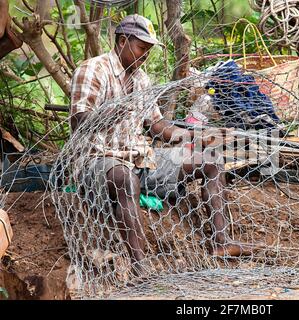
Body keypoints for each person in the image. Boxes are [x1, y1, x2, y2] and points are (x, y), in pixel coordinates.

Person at [70, 14, 252, 268]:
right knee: (124, 178)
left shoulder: (141, 78)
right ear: (122, 42)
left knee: (211, 161)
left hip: (140, 158)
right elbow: (79, 123)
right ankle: (140, 265)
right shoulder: (93, 70)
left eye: (149, 50)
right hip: (97, 159)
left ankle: (221, 242)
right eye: (142, 48)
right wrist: (110, 113)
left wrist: (193, 136)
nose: (145, 55)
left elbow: (156, 125)